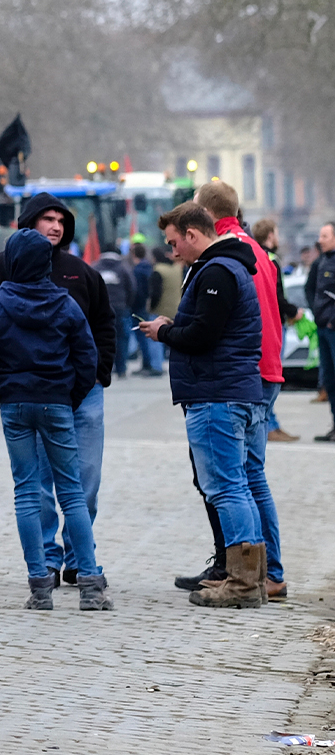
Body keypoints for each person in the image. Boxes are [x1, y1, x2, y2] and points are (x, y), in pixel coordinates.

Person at [0, 191, 115, 585]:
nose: (56, 226)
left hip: (77, 394)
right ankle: (49, 560)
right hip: (29, 396)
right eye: (48, 219)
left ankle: (78, 560)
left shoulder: (79, 273)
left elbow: (99, 328)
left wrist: (93, 378)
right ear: (29, 224)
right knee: (41, 488)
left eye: (61, 221)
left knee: (84, 481)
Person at [138, 203, 274, 607]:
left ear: (193, 234)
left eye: (175, 241)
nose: (173, 251)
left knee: (227, 489)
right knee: (241, 488)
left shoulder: (217, 272)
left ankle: (244, 585)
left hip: (218, 396)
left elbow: (203, 335)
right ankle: (250, 578)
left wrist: (165, 331)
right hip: (236, 392)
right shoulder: (229, 267)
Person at [198, 185, 293, 443]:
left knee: (232, 476)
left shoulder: (223, 250)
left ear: (206, 213)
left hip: (245, 372)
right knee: (253, 471)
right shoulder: (254, 249)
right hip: (265, 366)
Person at [307, 223, 335, 436]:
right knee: (329, 380)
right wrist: (318, 315)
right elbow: (310, 290)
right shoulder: (319, 263)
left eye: (324, 235)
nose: (321, 239)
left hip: (332, 327)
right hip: (322, 328)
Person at [96, 248, 133, 377]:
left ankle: (104, 367)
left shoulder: (95, 267)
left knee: (101, 338)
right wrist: (127, 304)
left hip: (99, 309)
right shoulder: (124, 268)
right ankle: (121, 368)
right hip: (120, 307)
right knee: (121, 338)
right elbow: (132, 287)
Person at [132, 245, 165, 375]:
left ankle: (150, 364)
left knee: (143, 336)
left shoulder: (137, 270)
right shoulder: (151, 269)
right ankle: (151, 363)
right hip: (149, 305)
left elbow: (136, 289)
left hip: (140, 306)